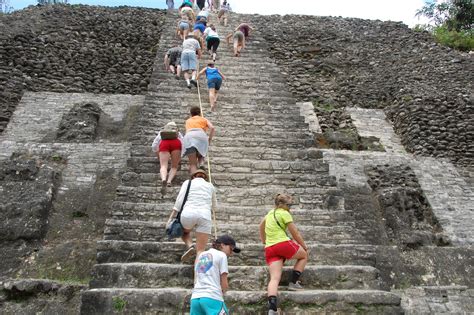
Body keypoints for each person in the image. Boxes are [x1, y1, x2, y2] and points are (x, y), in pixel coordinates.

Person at [259, 193, 308, 315]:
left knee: (274, 278)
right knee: (304, 255)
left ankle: (272, 309)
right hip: (282, 243)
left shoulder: (270, 213)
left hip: (270, 248)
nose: (290, 207)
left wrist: (264, 240)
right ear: (281, 204)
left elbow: (260, 225)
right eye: (289, 205)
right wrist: (304, 246)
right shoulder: (285, 213)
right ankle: (294, 282)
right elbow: (295, 233)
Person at [167, 168, 217, 263]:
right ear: (205, 178)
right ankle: (197, 277)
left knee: (184, 232)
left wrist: (170, 217)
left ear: (194, 176)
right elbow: (215, 206)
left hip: (188, 213)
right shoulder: (210, 186)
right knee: (201, 251)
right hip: (204, 215)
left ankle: (190, 245)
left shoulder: (188, 183)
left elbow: (179, 201)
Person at [190, 235, 241, 315]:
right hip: (212, 297)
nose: (231, 253)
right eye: (231, 249)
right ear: (222, 245)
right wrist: (224, 291)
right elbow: (224, 282)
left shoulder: (202, 255)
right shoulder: (222, 255)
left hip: (195, 298)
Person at [151, 122, 184, 189]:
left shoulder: (162, 131)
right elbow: (183, 142)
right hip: (176, 144)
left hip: (164, 144)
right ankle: (169, 181)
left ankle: (163, 179)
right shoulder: (178, 132)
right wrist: (181, 154)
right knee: (174, 166)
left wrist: (157, 152)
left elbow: (154, 144)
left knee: (163, 165)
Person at [183, 106, 215, 173]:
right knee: (201, 154)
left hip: (190, 136)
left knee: (192, 164)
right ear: (200, 113)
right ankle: (201, 164)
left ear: (191, 114)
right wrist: (209, 139)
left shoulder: (188, 121)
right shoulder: (204, 119)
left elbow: (187, 132)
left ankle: (194, 179)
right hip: (201, 136)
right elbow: (212, 127)